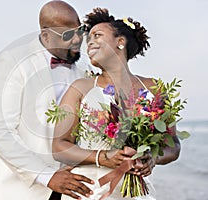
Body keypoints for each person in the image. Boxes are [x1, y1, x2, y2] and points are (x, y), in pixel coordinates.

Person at [52, 8, 181, 200]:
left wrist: (153, 159)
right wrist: (102, 157)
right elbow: (59, 147)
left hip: (134, 191)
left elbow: (173, 145)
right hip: (90, 190)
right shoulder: (80, 88)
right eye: (88, 40)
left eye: (97, 36)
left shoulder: (154, 88)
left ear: (120, 42)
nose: (90, 43)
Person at [0, 1, 101, 199]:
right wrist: (47, 176)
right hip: (23, 191)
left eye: (80, 30)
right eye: (68, 35)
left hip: (73, 190)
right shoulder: (13, 61)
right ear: (46, 35)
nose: (78, 39)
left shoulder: (85, 72)